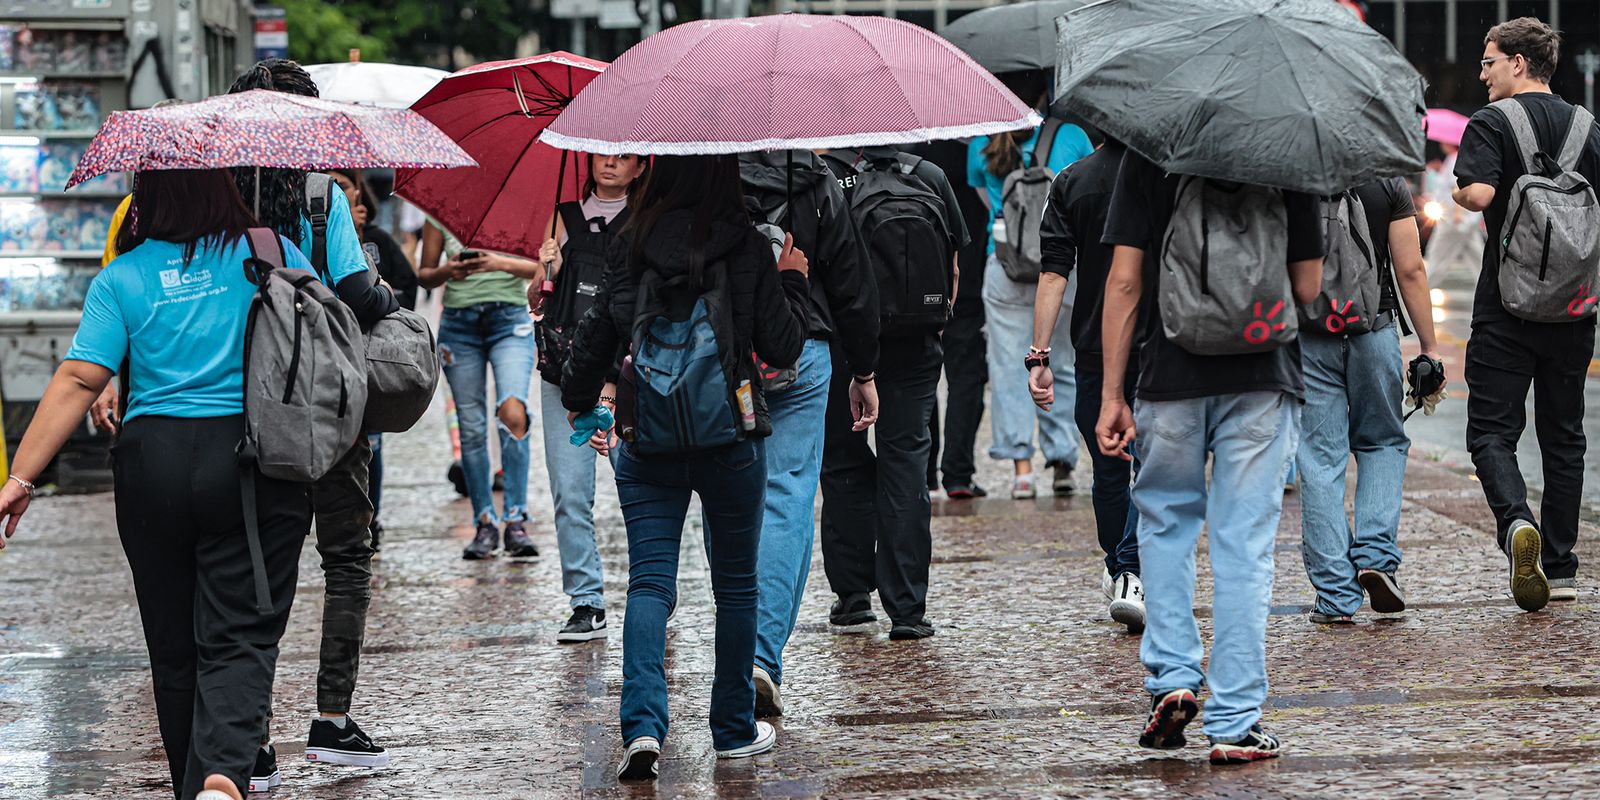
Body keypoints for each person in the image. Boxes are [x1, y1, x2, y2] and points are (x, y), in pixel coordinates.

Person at [0, 169, 317, 800]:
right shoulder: (269, 251)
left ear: (144, 202)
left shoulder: (122, 277)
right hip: (249, 460)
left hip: (152, 464)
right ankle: (224, 777)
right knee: (242, 630)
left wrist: (20, 478)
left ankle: (191, 787)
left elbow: (78, 380)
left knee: (173, 648)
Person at [559, 154, 811, 780]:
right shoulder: (748, 246)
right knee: (735, 585)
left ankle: (642, 728)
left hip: (647, 438)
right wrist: (793, 280)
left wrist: (579, 401)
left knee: (649, 582)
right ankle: (731, 730)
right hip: (731, 436)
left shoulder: (628, 243)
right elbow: (783, 347)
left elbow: (593, 343)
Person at [1098, 150, 1323, 763]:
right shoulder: (1287, 154)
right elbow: (1307, 287)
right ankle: (1235, 721)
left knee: (1165, 527)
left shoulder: (1150, 152)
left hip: (1169, 376)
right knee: (1244, 545)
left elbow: (1124, 280)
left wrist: (1112, 394)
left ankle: (1172, 678)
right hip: (1262, 374)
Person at [229, 59, 399, 785]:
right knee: (346, 557)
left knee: (258, 569)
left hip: (245, 406)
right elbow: (359, 296)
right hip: (328, 409)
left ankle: (252, 735)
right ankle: (331, 719)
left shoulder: (216, 197)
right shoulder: (324, 195)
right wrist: (387, 296)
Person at [1454, 17, 1600, 612]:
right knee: (1564, 437)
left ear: (1518, 63)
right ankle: (1561, 568)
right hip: (1574, 309)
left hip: (1506, 309)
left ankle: (1517, 523)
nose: (1481, 73)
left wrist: (1461, 193)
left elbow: (1482, 196)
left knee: (1491, 432)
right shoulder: (1589, 128)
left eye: (1488, 62)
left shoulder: (1490, 123)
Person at [738, 149, 879, 715]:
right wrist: (864, 370)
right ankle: (762, 654)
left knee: (731, 498)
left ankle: (743, 651)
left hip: (724, 348)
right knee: (789, 497)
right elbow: (851, 281)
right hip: (804, 345)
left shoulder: (701, 164)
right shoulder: (814, 177)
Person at [819, 145, 969, 640]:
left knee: (843, 458)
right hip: (916, 342)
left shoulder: (827, 176)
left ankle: (853, 596)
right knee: (905, 462)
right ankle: (907, 609)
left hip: (845, 341)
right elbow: (952, 266)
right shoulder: (930, 175)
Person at [1296, 178, 1442, 624]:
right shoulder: (1387, 182)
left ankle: (1337, 596)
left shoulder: (1294, 174)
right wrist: (1430, 348)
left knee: (1320, 460)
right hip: (1373, 331)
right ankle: (1377, 556)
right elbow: (1410, 270)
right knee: (1381, 443)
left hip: (1310, 335)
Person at [531, 152, 647, 643]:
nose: (611, 164)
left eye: (624, 158)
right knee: (569, 492)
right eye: (604, 154)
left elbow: (643, 305)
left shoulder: (646, 222)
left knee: (639, 489)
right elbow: (539, 300)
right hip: (564, 373)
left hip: (627, 378)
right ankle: (586, 600)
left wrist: (616, 380)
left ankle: (651, 589)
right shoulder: (565, 215)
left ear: (641, 167)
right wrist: (544, 271)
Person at [968, 70, 1094, 499]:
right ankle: (1062, 459)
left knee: (1007, 367)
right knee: (1061, 363)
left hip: (1002, 266)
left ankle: (1022, 470)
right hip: (1062, 268)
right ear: (1044, 91)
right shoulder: (1073, 136)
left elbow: (989, 204)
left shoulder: (981, 140)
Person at [1034, 139, 1144, 631]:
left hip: (1096, 345)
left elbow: (1054, 273)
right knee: (1157, 463)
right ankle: (1131, 570)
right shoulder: (1164, 175)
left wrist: (1040, 354)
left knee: (1109, 466)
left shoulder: (1072, 181)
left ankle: (1124, 567)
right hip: (1161, 341)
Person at [416, 216, 546, 560]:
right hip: (460, 327)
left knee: (513, 411)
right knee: (472, 429)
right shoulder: (440, 210)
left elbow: (542, 266)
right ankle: (485, 523)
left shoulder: (516, 207)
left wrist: (496, 262)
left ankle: (516, 520)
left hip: (511, 321)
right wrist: (449, 271)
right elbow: (424, 273)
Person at [325, 167, 418, 556]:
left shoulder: (377, 238)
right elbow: (358, 293)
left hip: (363, 353)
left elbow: (408, 282)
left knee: (368, 442)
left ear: (359, 194)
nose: (335, 191)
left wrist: (389, 308)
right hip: (326, 349)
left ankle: (366, 518)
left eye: (343, 186)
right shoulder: (318, 217)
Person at [914, 138, 993, 499]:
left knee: (920, 378)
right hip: (969, 278)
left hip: (916, 284)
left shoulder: (910, 159)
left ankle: (925, 469)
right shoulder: (976, 154)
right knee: (966, 379)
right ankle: (958, 473)